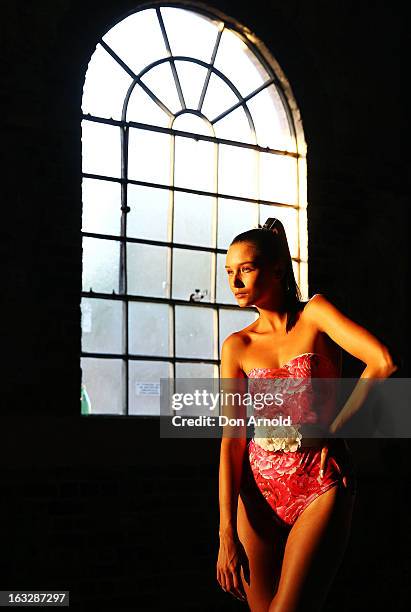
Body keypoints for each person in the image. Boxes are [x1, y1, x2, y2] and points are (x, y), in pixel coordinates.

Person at [216, 218, 397, 611]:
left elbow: (382, 362)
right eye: (229, 272)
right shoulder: (237, 346)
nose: (235, 281)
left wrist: (334, 429)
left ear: (278, 269)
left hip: (319, 482)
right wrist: (225, 533)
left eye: (246, 269)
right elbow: (232, 439)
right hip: (257, 496)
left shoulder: (315, 314)